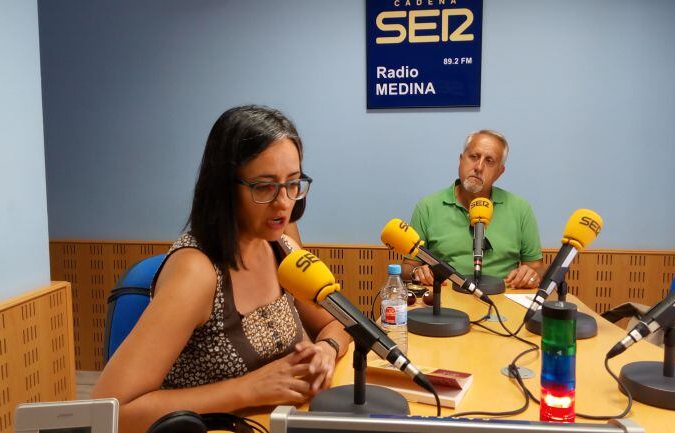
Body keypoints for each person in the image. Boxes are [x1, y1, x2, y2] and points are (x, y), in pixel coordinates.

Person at [92, 105, 351, 433]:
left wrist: (326, 349)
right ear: (225, 188)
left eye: (293, 183)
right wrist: (246, 389)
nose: (284, 202)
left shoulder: (281, 242)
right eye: (264, 186)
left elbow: (338, 323)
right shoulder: (196, 272)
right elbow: (110, 412)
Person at [402, 130, 543, 289]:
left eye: (489, 161)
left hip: (503, 300)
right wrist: (417, 271)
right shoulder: (427, 207)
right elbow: (407, 268)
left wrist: (529, 274)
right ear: (460, 160)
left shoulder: (520, 209)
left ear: (499, 172)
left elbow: (536, 268)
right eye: (474, 157)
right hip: (446, 299)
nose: (479, 167)